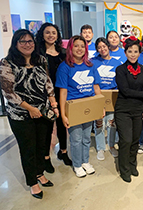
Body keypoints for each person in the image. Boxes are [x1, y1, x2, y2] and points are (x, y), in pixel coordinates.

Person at [0, 29, 58, 199]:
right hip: (20, 115)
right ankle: (32, 181)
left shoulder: (40, 59)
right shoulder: (7, 63)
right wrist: (30, 108)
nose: (28, 44)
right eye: (23, 41)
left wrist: (53, 102)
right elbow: (8, 92)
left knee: (42, 144)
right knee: (28, 148)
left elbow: (47, 82)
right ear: (15, 43)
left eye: (30, 41)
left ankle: (40, 173)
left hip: (43, 111)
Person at [56, 35, 103, 178]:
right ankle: (77, 164)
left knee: (86, 137)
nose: (79, 49)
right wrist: (63, 114)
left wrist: (100, 107)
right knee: (76, 139)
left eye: (82, 46)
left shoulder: (90, 65)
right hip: (74, 108)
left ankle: (85, 161)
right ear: (70, 48)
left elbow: (96, 88)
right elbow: (63, 93)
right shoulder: (65, 67)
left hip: (88, 106)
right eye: (76, 45)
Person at [36, 22, 72, 173]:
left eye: (53, 32)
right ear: (42, 35)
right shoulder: (37, 53)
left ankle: (63, 152)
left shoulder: (63, 52)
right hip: (45, 95)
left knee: (63, 123)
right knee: (48, 127)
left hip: (62, 92)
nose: (51, 35)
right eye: (47, 32)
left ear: (57, 35)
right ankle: (45, 157)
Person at [114, 36, 143, 183]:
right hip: (123, 109)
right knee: (126, 140)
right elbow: (124, 90)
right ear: (125, 52)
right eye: (130, 51)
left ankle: (132, 164)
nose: (133, 54)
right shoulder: (120, 69)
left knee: (135, 140)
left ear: (139, 52)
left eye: (136, 51)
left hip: (138, 110)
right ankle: (124, 169)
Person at [91, 37, 121, 160]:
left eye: (104, 46)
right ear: (97, 49)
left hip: (112, 95)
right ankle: (100, 148)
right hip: (98, 95)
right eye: (99, 47)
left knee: (111, 123)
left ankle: (112, 145)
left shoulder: (116, 63)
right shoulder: (92, 62)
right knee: (99, 123)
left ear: (108, 46)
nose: (102, 49)